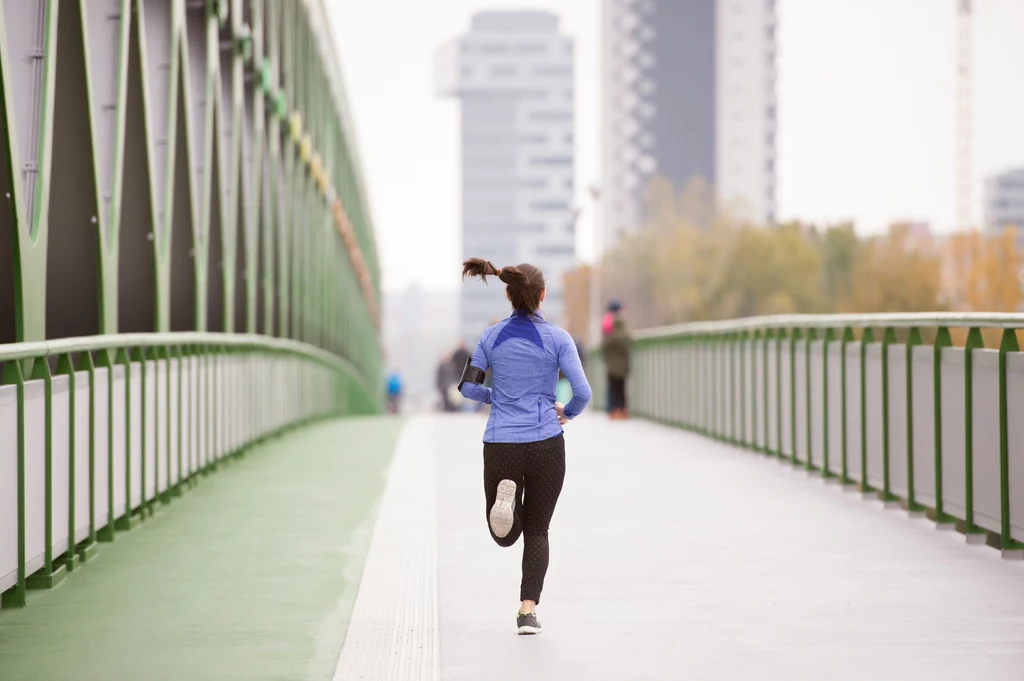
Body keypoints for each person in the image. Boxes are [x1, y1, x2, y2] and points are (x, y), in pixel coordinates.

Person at [458, 257, 592, 636]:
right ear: (543, 295)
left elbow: (467, 387)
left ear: (508, 294)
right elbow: (583, 392)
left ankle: (506, 505)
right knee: (538, 531)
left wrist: (494, 396)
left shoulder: (491, 337)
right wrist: (567, 412)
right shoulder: (559, 339)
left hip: (501, 441)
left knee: (506, 535)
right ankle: (527, 612)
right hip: (546, 442)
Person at [601, 314, 632, 419]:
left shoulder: (611, 337)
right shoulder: (626, 337)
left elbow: (603, 345)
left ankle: (614, 411)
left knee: (613, 389)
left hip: (612, 369)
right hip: (623, 368)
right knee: (622, 390)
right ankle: (623, 410)